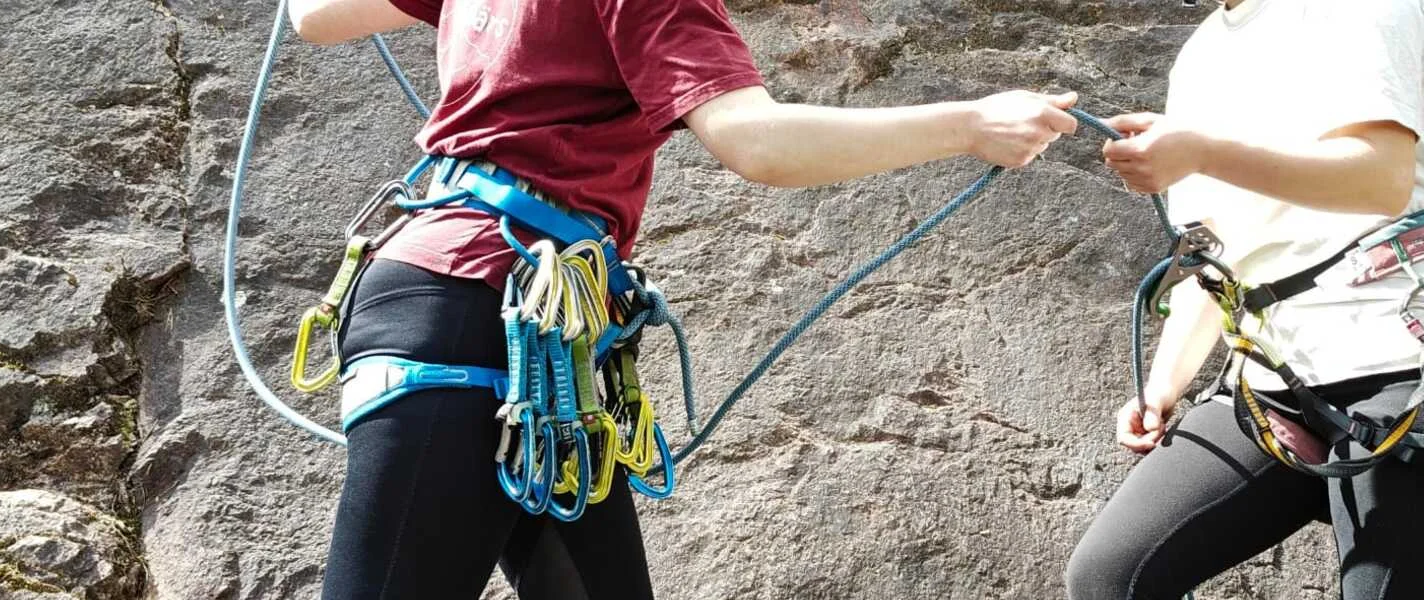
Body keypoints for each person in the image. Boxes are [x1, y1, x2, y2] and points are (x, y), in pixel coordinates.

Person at [285, 0, 1081, 598]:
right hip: (474, 308)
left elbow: (314, 14)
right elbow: (756, 141)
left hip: (501, 324)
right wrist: (970, 123)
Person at [1065, 0, 1424, 599]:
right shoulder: (1205, 49)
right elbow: (1221, 251)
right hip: (1271, 381)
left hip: (1410, 365)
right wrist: (1164, 385)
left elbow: (1379, 177)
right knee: (1111, 579)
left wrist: (1200, 152)